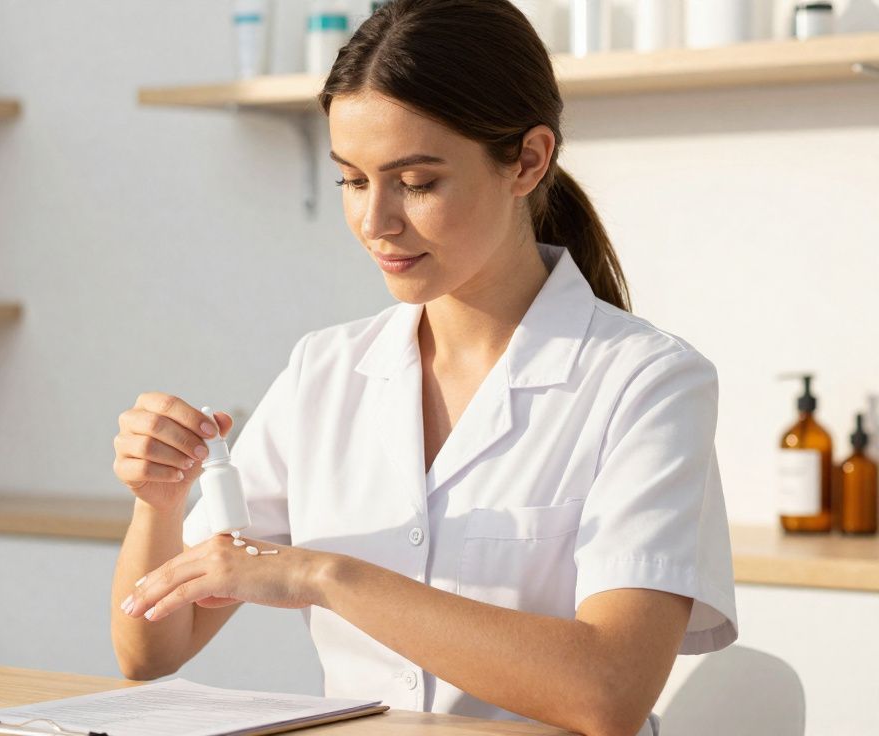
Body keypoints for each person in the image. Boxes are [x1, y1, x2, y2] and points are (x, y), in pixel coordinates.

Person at [109, 2, 736, 734]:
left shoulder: (646, 382)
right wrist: (157, 501)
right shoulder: (325, 372)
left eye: (416, 181)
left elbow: (608, 692)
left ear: (528, 161)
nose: (375, 222)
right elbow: (150, 652)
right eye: (352, 180)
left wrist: (321, 575)